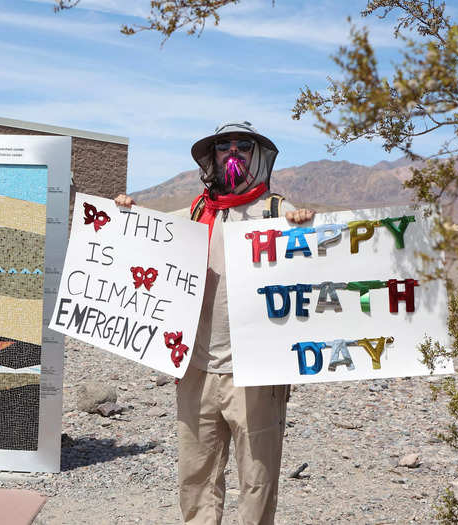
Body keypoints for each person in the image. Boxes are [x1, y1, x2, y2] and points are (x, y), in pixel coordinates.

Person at [116, 121, 314, 525]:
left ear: (257, 156)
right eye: (225, 146)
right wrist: (124, 210)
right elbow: (145, 230)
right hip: (196, 369)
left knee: (257, 478)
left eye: (243, 146)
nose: (234, 152)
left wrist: (306, 222)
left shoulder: (278, 213)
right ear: (214, 156)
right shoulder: (194, 212)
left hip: (254, 372)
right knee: (196, 475)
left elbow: (319, 256)